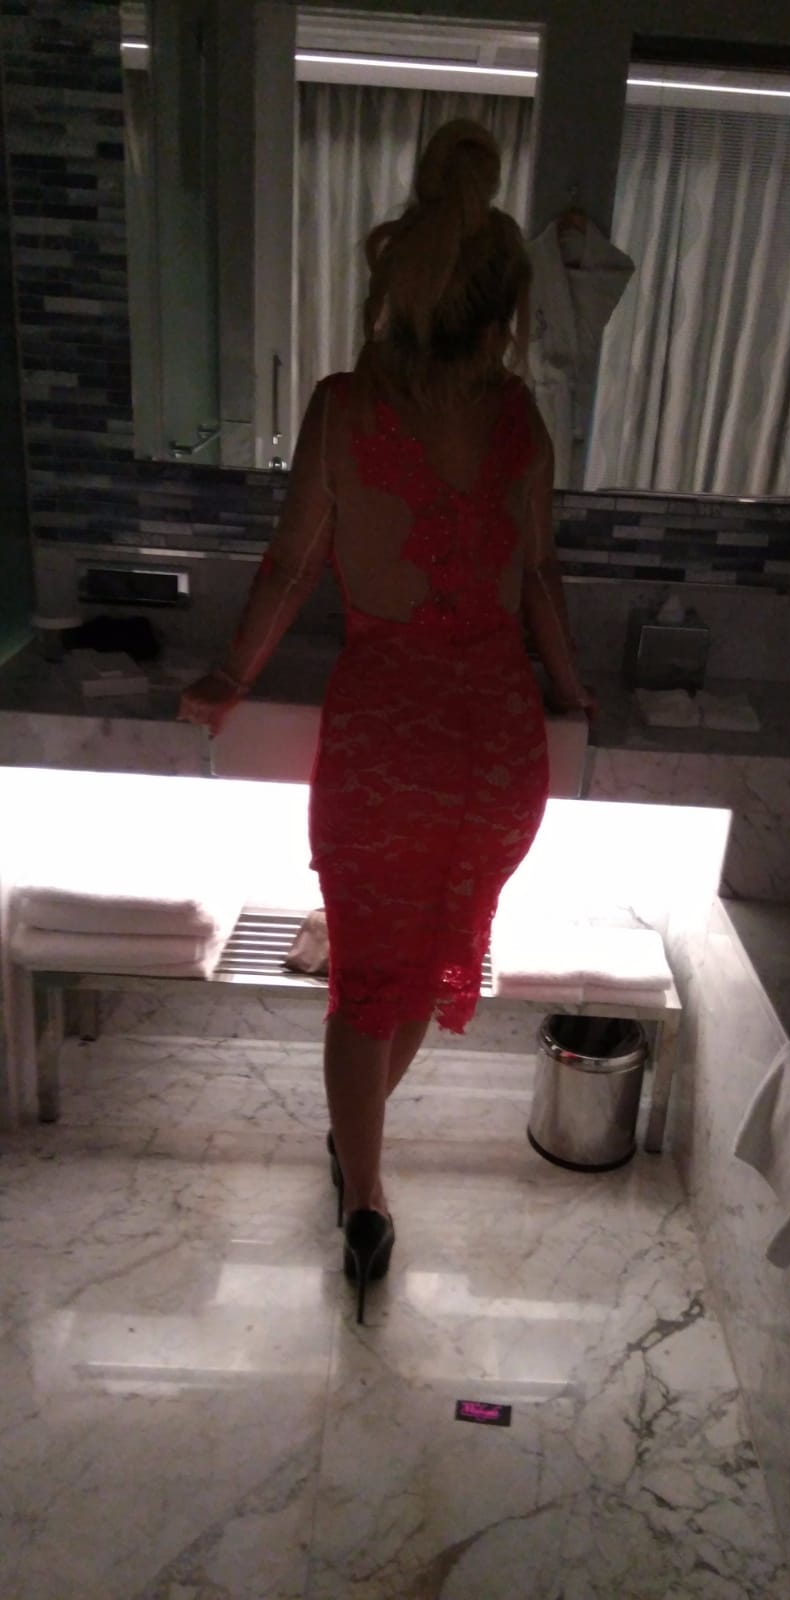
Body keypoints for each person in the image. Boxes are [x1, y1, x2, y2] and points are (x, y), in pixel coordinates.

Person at [178, 120, 593, 1323]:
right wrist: (575, 694)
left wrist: (228, 678)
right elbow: (541, 581)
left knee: (365, 975)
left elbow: (288, 569)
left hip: (385, 743)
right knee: (419, 964)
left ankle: (364, 1192)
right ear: (502, 313)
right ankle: (359, 1157)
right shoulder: (519, 423)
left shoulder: (344, 408)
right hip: (493, 748)